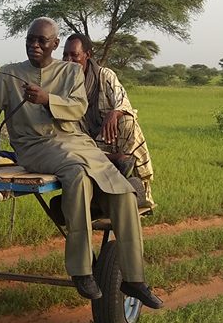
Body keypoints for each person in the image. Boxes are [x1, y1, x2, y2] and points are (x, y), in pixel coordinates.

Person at [0, 17, 162, 308]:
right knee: (77, 175)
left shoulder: (70, 71)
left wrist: (48, 99)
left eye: (42, 41)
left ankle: (134, 279)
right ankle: (81, 269)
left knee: (123, 191)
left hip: (77, 142)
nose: (35, 45)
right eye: (30, 40)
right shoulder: (9, 75)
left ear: (55, 44)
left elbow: (78, 108)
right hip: (35, 146)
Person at [62, 33, 155, 205]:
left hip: (108, 138)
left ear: (87, 55)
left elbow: (123, 101)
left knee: (128, 121)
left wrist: (114, 113)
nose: (69, 60)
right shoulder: (63, 82)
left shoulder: (105, 75)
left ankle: (126, 175)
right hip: (84, 143)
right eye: (65, 55)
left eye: (74, 55)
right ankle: (117, 161)